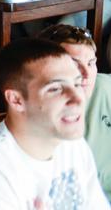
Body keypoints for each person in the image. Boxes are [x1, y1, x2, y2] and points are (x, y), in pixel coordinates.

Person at [0, 38, 109, 209]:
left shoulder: (70, 143)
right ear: (16, 100)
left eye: (76, 83)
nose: (77, 99)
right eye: (55, 89)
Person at [39, 24, 111, 198]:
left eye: (91, 63)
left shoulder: (105, 88)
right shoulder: (38, 117)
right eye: (74, 63)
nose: (86, 74)